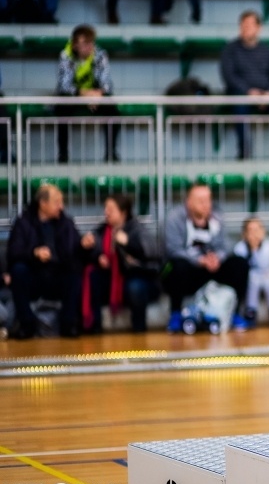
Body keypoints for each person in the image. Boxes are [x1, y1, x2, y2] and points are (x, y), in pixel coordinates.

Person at [161, 183, 250, 331]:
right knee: (177, 266)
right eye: (200, 200)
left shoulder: (217, 217)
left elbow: (224, 246)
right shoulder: (175, 218)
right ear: (188, 202)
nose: (205, 204)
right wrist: (199, 260)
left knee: (240, 263)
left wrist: (217, 258)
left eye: (208, 200)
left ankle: (234, 313)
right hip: (190, 269)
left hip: (212, 268)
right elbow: (173, 249)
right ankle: (175, 314)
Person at [6, 184, 82, 339]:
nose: (61, 206)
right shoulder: (24, 222)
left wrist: (86, 246)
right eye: (57, 202)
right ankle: (26, 324)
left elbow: (75, 249)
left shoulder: (66, 223)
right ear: (43, 203)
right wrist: (34, 253)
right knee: (18, 270)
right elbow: (13, 251)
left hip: (57, 274)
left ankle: (68, 324)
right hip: (34, 274)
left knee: (74, 271)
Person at [81, 194, 161, 334]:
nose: (106, 212)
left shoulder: (136, 228)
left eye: (111, 209)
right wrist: (96, 255)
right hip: (113, 279)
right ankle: (94, 326)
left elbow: (152, 253)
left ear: (123, 212)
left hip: (139, 276)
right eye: (105, 208)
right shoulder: (102, 230)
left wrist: (128, 243)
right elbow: (91, 254)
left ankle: (139, 328)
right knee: (92, 276)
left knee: (135, 286)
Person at [220, 10, 269, 160]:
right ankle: (244, 152)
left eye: (249, 25)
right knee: (239, 104)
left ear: (258, 28)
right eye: (243, 25)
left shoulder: (267, 50)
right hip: (242, 95)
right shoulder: (230, 49)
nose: (245, 28)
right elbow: (229, 76)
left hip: (265, 96)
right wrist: (249, 92)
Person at [56, 24, 121, 163]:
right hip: (74, 96)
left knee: (113, 110)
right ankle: (63, 155)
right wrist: (83, 93)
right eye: (84, 43)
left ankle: (111, 153)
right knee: (61, 107)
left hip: (95, 97)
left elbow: (107, 84)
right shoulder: (66, 55)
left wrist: (98, 94)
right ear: (74, 45)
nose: (89, 46)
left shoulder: (100, 55)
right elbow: (64, 85)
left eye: (90, 42)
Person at [233, 217, 269, 328]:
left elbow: (264, 264)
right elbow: (243, 266)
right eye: (250, 230)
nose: (254, 234)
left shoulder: (268, 247)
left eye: (257, 230)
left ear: (263, 232)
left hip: (265, 274)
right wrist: (252, 249)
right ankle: (251, 311)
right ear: (244, 234)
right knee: (253, 280)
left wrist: (255, 249)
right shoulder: (240, 247)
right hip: (250, 276)